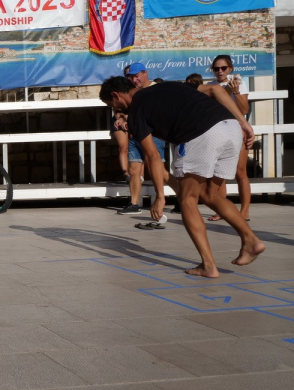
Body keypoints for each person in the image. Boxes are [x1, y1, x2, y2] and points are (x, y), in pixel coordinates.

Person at [99, 75, 265, 277]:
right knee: (211, 195)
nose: (115, 109)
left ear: (116, 94)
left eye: (112, 104)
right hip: (230, 128)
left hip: (200, 134)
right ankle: (251, 240)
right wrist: (244, 123)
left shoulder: (136, 111)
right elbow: (215, 90)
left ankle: (208, 266)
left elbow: (152, 156)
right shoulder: (169, 85)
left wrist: (160, 196)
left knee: (187, 200)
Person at [117, 62, 169, 215]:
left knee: (160, 171)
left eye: (136, 76)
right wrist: (124, 119)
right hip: (137, 135)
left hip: (153, 136)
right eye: (131, 77)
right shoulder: (134, 93)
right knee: (134, 169)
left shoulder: (157, 89)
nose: (134, 80)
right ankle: (134, 203)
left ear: (145, 73)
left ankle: (180, 196)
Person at [206, 55, 252, 222]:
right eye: (216, 68)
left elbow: (244, 109)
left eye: (223, 68)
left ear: (230, 69)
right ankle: (221, 209)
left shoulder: (239, 84)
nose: (220, 71)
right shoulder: (210, 86)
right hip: (218, 129)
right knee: (218, 172)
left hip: (238, 129)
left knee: (240, 171)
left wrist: (236, 92)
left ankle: (244, 211)